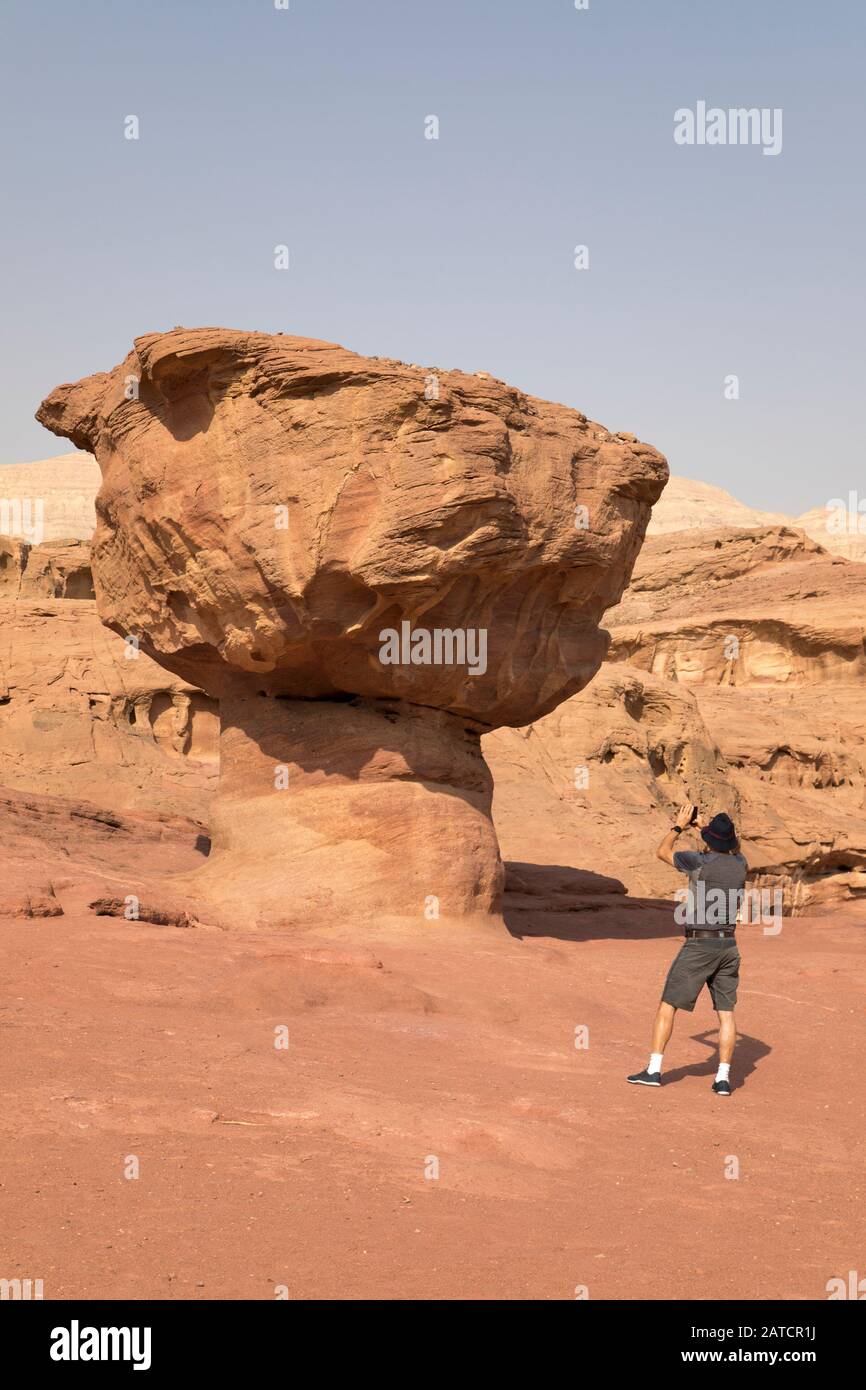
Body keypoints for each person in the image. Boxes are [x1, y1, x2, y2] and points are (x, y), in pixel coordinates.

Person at [627, 804, 748, 1096]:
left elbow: (662, 851)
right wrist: (707, 831)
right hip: (728, 945)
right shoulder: (741, 863)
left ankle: (653, 1071)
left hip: (699, 944)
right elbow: (734, 848)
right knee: (726, 1013)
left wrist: (680, 826)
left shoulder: (698, 861)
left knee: (668, 1005)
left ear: (709, 842)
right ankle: (723, 1079)